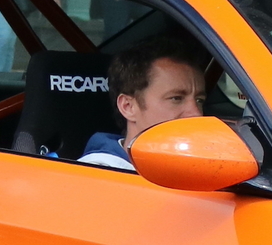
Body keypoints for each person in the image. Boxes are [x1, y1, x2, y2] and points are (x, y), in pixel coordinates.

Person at [77, 34, 209, 171]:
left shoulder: (202, 170)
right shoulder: (94, 178)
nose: (197, 114)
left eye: (199, 100)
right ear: (128, 107)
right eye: (176, 98)